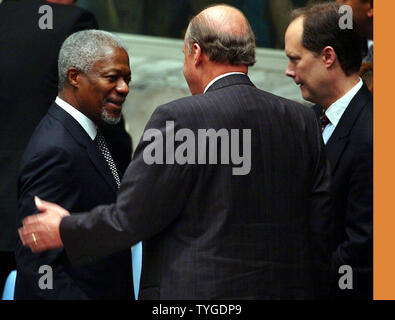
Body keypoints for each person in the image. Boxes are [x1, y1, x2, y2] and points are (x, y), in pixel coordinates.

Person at [19, 4, 333, 299]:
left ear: (196, 53)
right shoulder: (303, 119)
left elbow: (131, 217)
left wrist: (64, 228)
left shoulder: (180, 119)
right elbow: (321, 225)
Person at [0, 0, 132, 289]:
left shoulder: (6, 14)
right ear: (73, 75)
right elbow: (103, 111)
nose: (123, 88)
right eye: (114, 77)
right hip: (52, 201)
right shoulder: (71, 22)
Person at [284, 2, 373, 299]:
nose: (288, 71)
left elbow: (363, 247)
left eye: (295, 59)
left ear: (327, 57)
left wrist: (299, 283)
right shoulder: (307, 121)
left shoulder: (373, 134)